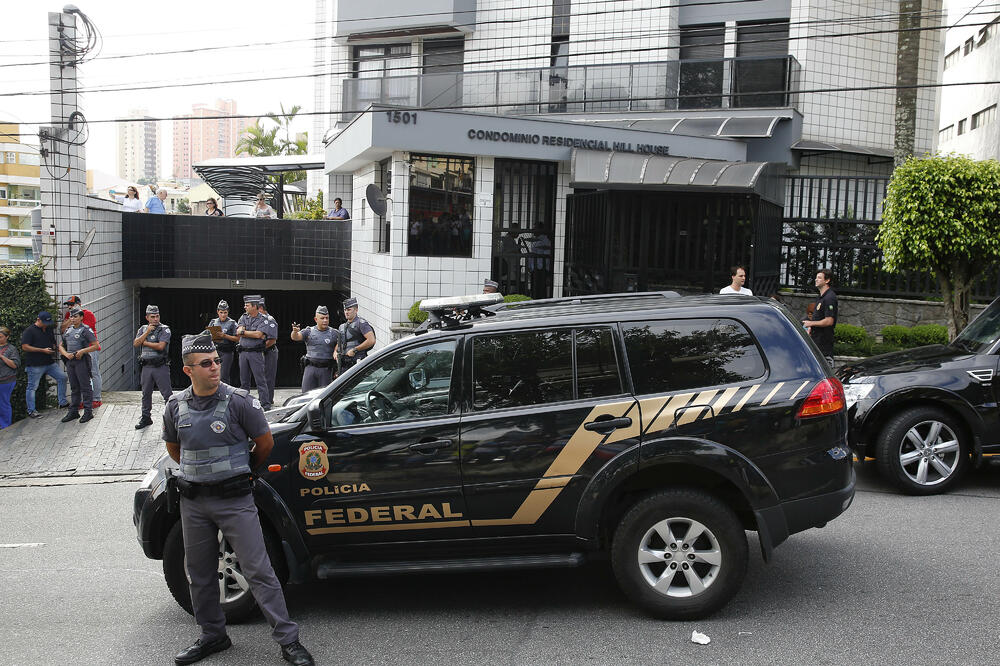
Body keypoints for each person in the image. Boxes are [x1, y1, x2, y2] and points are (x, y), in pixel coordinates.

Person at [164, 331, 314, 666]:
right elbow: (175, 450)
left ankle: (289, 641)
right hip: (194, 503)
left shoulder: (239, 402)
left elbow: (264, 445)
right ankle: (212, 635)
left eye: (216, 361)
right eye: (206, 364)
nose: (215, 368)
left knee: (259, 570)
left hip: (235, 499)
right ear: (189, 370)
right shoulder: (176, 406)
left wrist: (238, 474)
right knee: (200, 573)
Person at [21, 311, 68, 418]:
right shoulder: (29, 331)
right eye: (44, 322)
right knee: (32, 387)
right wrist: (42, 350)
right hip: (35, 364)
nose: (46, 325)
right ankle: (31, 411)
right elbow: (25, 346)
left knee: (63, 377)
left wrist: (55, 347)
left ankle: (62, 402)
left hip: (49, 362)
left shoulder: (48, 329)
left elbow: (52, 342)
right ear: (38, 320)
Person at [134, 305, 173, 429]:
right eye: (153, 317)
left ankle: (171, 419)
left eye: (157, 316)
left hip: (160, 366)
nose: (156, 319)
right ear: (147, 317)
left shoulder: (164, 329)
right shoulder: (143, 329)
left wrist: (144, 342)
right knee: (146, 393)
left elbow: (161, 346)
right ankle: (146, 417)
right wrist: (147, 333)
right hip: (146, 366)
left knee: (167, 394)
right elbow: (135, 343)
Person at [59, 308, 99, 424]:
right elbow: (61, 345)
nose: (73, 319)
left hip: (82, 361)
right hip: (70, 361)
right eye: (71, 317)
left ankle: (88, 411)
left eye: (75, 316)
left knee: (85, 386)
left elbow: (95, 345)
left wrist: (82, 351)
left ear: (81, 317)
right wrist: (66, 354)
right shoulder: (68, 330)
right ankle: (74, 411)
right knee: (74, 387)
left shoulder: (86, 330)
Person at [237, 295, 272, 410]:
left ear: (254, 306)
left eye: (247, 305)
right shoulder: (243, 317)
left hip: (255, 353)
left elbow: (259, 335)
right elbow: (238, 331)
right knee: (244, 381)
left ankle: (265, 405)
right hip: (243, 353)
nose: (244, 307)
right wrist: (250, 332)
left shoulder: (264, 319)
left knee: (260, 381)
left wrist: (244, 332)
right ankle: (243, 404)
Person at [291, 306, 337, 392]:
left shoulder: (334, 333)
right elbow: (296, 337)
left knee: (324, 396)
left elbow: (341, 342)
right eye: (322, 318)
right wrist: (295, 331)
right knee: (306, 395)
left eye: (327, 318)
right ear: (316, 319)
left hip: (326, 370)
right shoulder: (309, 331)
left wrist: (336, 350)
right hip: (311, 368)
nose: (325, 320)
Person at [803, 268, 838, 365]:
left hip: (824, 345)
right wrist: (811, 327)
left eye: (819, 278)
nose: (816, 279)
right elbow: (818, 317)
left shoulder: (830, 298)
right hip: (816, 342)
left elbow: (829, 321)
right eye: (816, 277)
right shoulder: (821, 297)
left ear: (827, 280)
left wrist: (811, 323)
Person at [334, 297, 375, 375]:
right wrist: (335, 352)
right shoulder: (342, 326)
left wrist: (355, 349)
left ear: (356, 310)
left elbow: (371, 340)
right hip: (343, 366)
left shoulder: (361, 323)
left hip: (357, 363)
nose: (346, 312)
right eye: (345, 310)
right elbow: (340, 343)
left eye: (349, 310)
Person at [209, 300, 239, 385]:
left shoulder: (232, 323)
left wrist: (225, 336)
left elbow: (238, 339)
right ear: (218, 312)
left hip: (227, 351)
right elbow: (207, 335)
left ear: (228, 312)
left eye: (225, 312)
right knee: (213, 374)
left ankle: (225, 395)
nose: (223, 315)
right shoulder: (213, 322)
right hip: (215, 351)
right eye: (221, 312)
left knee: (224, 375)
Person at [258, 297, 279, 400]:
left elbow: (272, 340)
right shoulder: (258, 320)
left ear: (261, 308)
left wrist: (259, 348)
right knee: (261, 377)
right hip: (260, 352)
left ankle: (268, 399)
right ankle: (263, 398)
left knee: (268, 377)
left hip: (269, 351)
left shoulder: (269, 320)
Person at [0, 326, 20, 429]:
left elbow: (15, 365)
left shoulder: (11, 349)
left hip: (6, 380)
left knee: (3, 402)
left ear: (7, 337)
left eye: (1, 337)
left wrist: (2, 357)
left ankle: (5, 426)